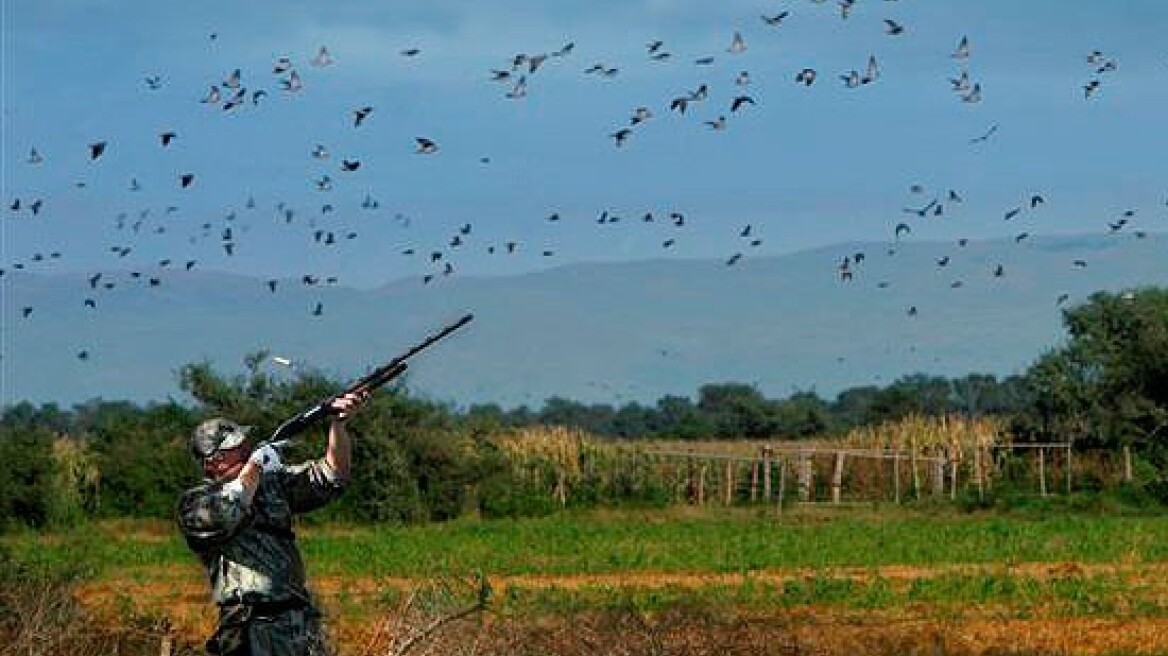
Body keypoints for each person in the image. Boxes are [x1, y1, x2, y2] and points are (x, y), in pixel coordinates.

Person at [176, 391, 368, 656]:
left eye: (246, 445)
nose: (247, 449)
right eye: (237, 448)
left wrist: (338, 424)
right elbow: (230, 509)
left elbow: (333, 475)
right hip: (251, 626)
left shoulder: (271, 484)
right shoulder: (196, 504)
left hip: (297, 620)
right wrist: (256, 463)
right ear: (213, 461)